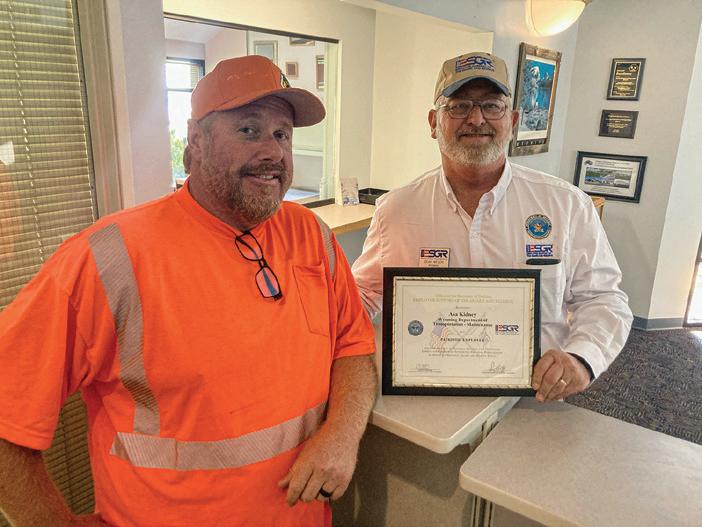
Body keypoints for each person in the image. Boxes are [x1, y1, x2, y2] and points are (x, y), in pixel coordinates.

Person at [0, 55, 377, 527]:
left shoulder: (310, 234)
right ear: (196, 140)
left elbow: (353, 345)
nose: (273, 152)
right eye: (248, 130)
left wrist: (342, 434)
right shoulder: (109, 258)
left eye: (282, 134)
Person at [352, 51, 632, 403]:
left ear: (512, 121)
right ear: (434, 122)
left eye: (491, 106)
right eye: (459, 106)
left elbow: (603, 298)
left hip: (532, 399)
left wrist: (582, 359)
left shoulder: (566, 205)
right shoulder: (396, 209)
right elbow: (362, 296)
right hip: (426, 394)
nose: (476, 118)